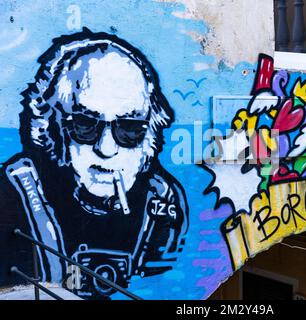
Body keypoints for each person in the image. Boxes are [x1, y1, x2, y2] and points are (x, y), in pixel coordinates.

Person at [0, 29, 188, 299]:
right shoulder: (13, 195)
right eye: (85, 125)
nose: (106, 148)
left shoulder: (162, 204)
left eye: (130, 129)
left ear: (150, 134)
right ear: (53, 129)